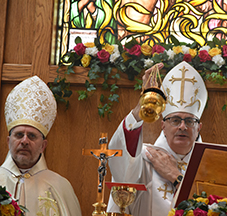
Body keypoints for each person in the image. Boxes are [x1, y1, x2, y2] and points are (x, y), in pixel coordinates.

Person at [106, 61, 208, 216]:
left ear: (199, 128)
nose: (182, 126)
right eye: (175, 120)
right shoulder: (145, 158)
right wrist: (145, 103)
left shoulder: (210, 163)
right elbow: (122, 168)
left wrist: (176, 176)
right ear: (163, 126)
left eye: (189, 121)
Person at [0, 76, 82, 216]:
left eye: (32, 136)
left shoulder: (60, 186)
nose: (24, 141)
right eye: (19, 135)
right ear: (8, 141)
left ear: (43, 146)